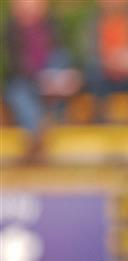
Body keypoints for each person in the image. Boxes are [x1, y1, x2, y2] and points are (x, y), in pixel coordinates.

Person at [4, 0, 82, 162]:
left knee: (62, 64)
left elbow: (63, 55)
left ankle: (45, 128)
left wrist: (63, 76)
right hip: (26, 80)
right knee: (18, 93)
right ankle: (38, 132)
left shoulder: (52, 26)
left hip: (52, 76)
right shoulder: (11, 30)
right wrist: (39, 79)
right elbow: (16, 65)